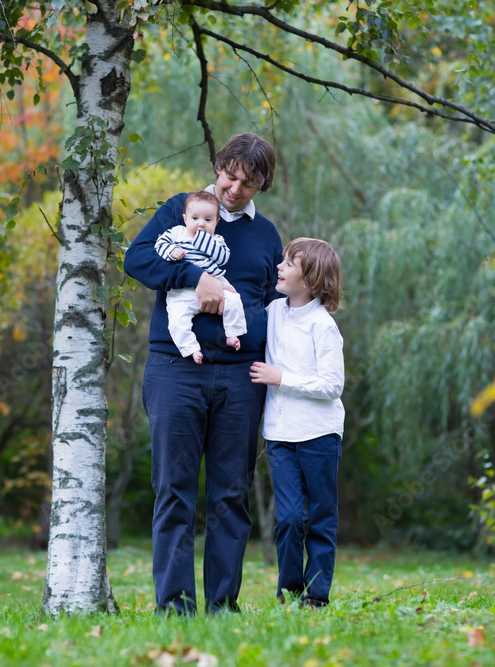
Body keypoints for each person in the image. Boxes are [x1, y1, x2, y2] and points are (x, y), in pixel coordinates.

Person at [124, 133, 283, 615]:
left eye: (247, 184)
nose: (234, 189)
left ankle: (222, 607)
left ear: (261, 186)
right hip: (175, 370)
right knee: (173, 490)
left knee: (230, 494)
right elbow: (137, 259)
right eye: (229, 177)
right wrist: (196, 278)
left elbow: (276, 305)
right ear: (218, 167)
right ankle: (174, 606)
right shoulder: (183, 209)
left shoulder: (267, 235)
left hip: (240, 377)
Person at [249, 237, 345, 609]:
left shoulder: (323, 326)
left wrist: (281, 378)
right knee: (289, 517)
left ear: (310, 279)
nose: (279, 267)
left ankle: (316, 596)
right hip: (279, 435)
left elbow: (333, 385)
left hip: (320, 434)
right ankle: (289, 594)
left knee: (321, 516)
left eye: (289, 264)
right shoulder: (273, 310)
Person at [154, 189, 247, 363]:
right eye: (195, 218)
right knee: (177, 319)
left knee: (234, 300)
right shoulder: (177, 233)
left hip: (215, 283)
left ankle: (232, 333)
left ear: (217, 222)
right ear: (185, 219)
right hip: (182, 290)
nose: (201, 224)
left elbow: (222, 257)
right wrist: (172, 251)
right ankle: (191, 348)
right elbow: (160, 243)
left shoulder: (217, 240)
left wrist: (202, 240)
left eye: (208, 220)